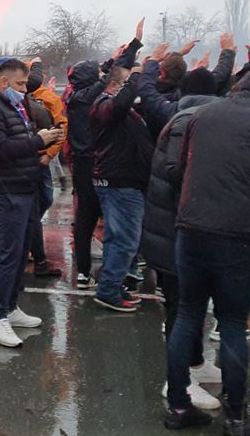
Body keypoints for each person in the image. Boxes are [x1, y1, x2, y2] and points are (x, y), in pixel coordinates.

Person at [163, 70, 250, 436]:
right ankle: (236, 418)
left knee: (187, 315)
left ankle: (177, 405)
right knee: (233, 324)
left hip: (189, 229)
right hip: (237, 234)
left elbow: (182, 170)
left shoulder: (201, 115)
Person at [141, 62, 224, 412]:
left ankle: (194, 362)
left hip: (173, 229)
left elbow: (146, 92)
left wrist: (147, 65)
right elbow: (180, 177)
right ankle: (178, 383)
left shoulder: (176, 115)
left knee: (187, 305)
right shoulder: (190, 126)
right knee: (181, 308)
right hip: (176, 231)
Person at [0, 58, 62, 348]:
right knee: (7, 256)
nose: (25, 90)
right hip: (6, 190)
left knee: (21, 253)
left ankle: (11, 307)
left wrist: (39, 140)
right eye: (20, 84)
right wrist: (38, 140)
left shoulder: (14, 105)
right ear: (3, 82)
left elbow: (19, 139)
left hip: (25, 188)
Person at [65, 20, 143, 289]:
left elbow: (104, 74)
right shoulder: (85, 98)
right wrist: (130, 54)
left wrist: (126, 50)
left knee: (87, 220)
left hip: (84, 162)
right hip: (92, 163)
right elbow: (107, 78)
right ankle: (105, 274)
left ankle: (86, 272)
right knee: (100, 218)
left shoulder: (75, 95)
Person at [90, 61, 153, 313]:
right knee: (125, 240)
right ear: (116, 84)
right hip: (119, 183)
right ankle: (108, 291)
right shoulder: (104, 104)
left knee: (117, 239)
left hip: (124, 180)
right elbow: (119, 106)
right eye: (128, 83)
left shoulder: (116, 107)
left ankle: (112, 286)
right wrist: (137, 75)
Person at [23, 60, 66, 279]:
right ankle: (33, 253)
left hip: (41, 160)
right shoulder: (11, 101)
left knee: (45, 200)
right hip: (23, 162)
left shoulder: (48, 98)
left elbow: (60, 127)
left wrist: (49, 155)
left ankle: (33, 248)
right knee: (29, 209)